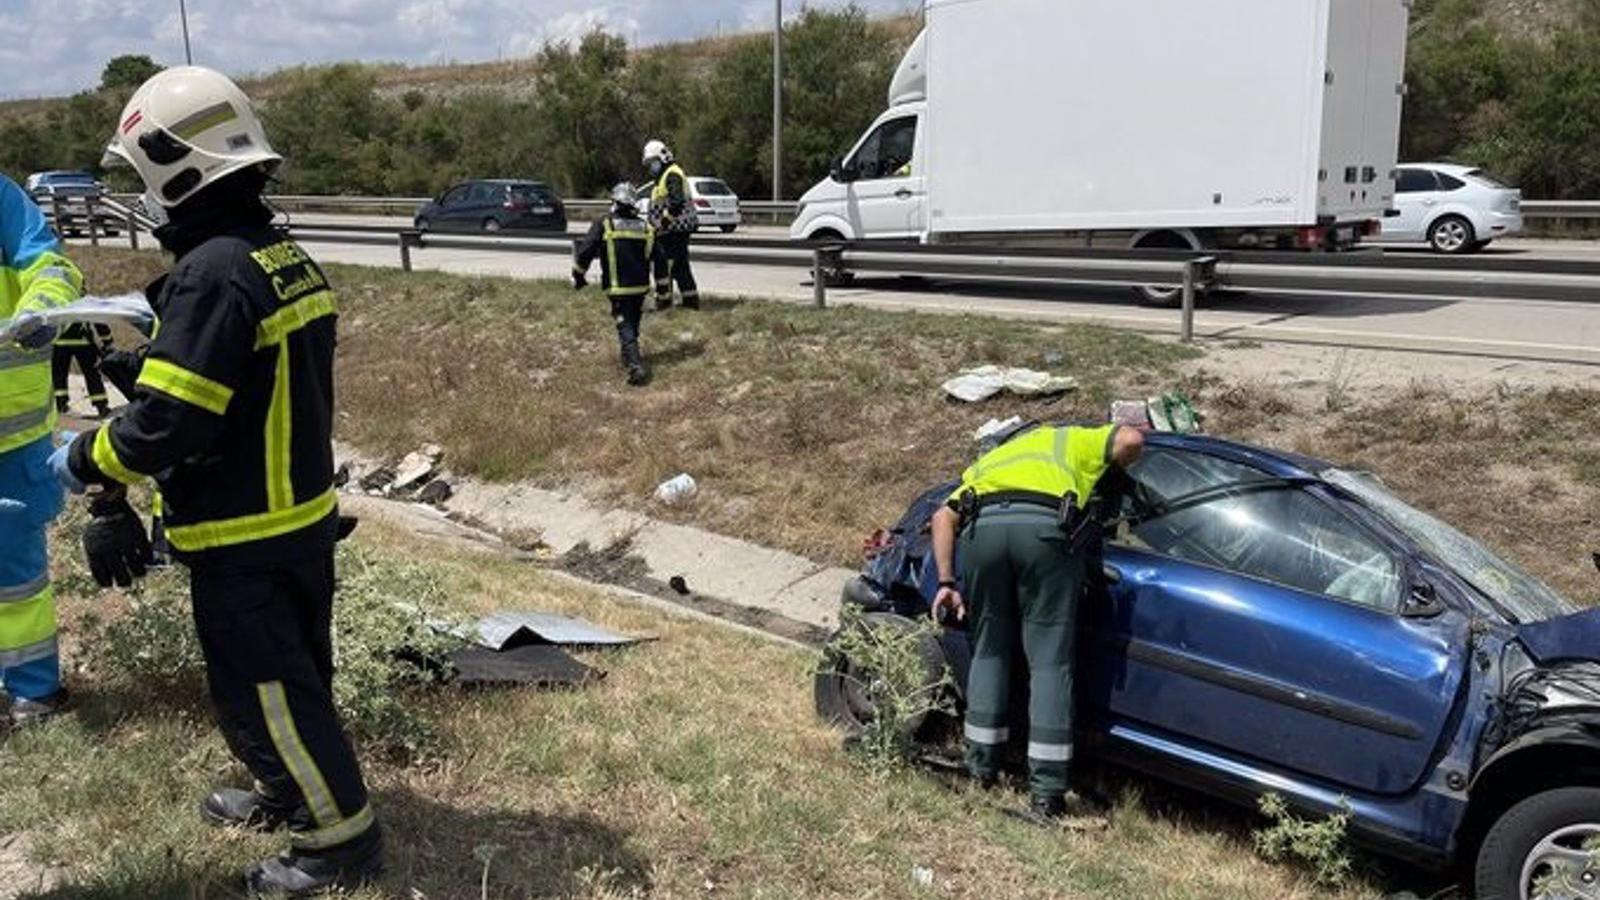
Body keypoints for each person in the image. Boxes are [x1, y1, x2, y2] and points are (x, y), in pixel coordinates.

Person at [48, 66, 382, 895]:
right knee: (294, 675)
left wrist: (83, 461)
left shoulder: (213, 273)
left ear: (177, 165)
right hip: (296, 519)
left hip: (247, 535)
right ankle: (285, 791)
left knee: (267, 688)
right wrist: (143, 363)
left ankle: (338, 844)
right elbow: (238, 383)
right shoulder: (277, 257)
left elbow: (172, 427)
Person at [929, 422, 1144, 820]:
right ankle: (1046, 792)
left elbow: (943, 517)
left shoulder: (996, 458)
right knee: (1049, 662)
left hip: (983, 534)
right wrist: (1117, 468)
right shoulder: (1074, 440)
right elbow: (1131, 440)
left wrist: (945, 581)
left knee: (990, 651)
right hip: (1046, 533)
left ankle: (980, 769)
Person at [0, 173, 84, 727]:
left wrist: (42, 309)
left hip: (12, 430)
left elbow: (52, 264)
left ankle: (35, 690)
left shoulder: (1, 198)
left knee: (16, 571)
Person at [573, 182, 656, 386]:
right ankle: (627, 357)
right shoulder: (645, 226)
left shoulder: (604, 223)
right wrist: (663, 289)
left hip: (618, 288)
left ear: (615, 202)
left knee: (624, 325)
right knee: (633, 322)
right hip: (640, 288)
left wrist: (578, 275)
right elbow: (659, 259)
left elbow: (586, 251)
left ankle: (636, 366)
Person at [642, 139, 699, 310]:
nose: (651, 167)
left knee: (664, 266)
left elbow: (676, 203)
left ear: (663, 158)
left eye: (653, 162)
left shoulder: (672, 174)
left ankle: (664, 301)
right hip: (674, 230)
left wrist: (662, 224)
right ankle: (690, 301)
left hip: (673, 231)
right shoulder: (665, 176)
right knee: (681, 267)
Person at [51, 321, 113, 417]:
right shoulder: (86, 304)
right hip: (83, 341)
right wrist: (107, 340)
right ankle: (101, 406)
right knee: (92, 374)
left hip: (60, 342)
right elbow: (97, 320)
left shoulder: (59, 305)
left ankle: (61, 404)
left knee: (59, 374)